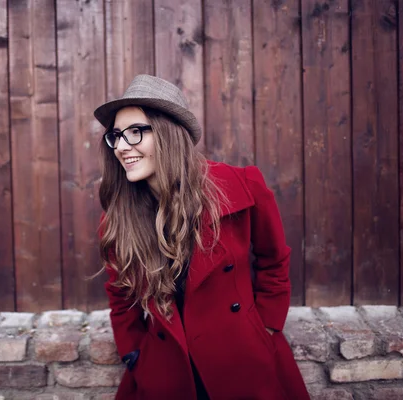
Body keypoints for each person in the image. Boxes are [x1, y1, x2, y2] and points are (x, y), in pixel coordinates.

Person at [94, 74, 309, 400]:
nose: (122, 147)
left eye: (135, 132)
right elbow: (120, 296)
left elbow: (274, 259)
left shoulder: (242, 186)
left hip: (242, 362)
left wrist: (265, 327)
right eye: (116, 136)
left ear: (168, 133)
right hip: (167, 371)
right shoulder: (118, 217)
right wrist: (134, 353)